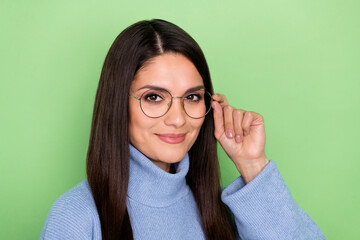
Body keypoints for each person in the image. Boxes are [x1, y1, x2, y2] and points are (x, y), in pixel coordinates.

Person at [40, 19, 325, 240]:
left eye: (192, 97)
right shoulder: (76, 216)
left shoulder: (224, 213)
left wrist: (252, 164)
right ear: (117, 104)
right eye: (154, 97)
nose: (178, 119)